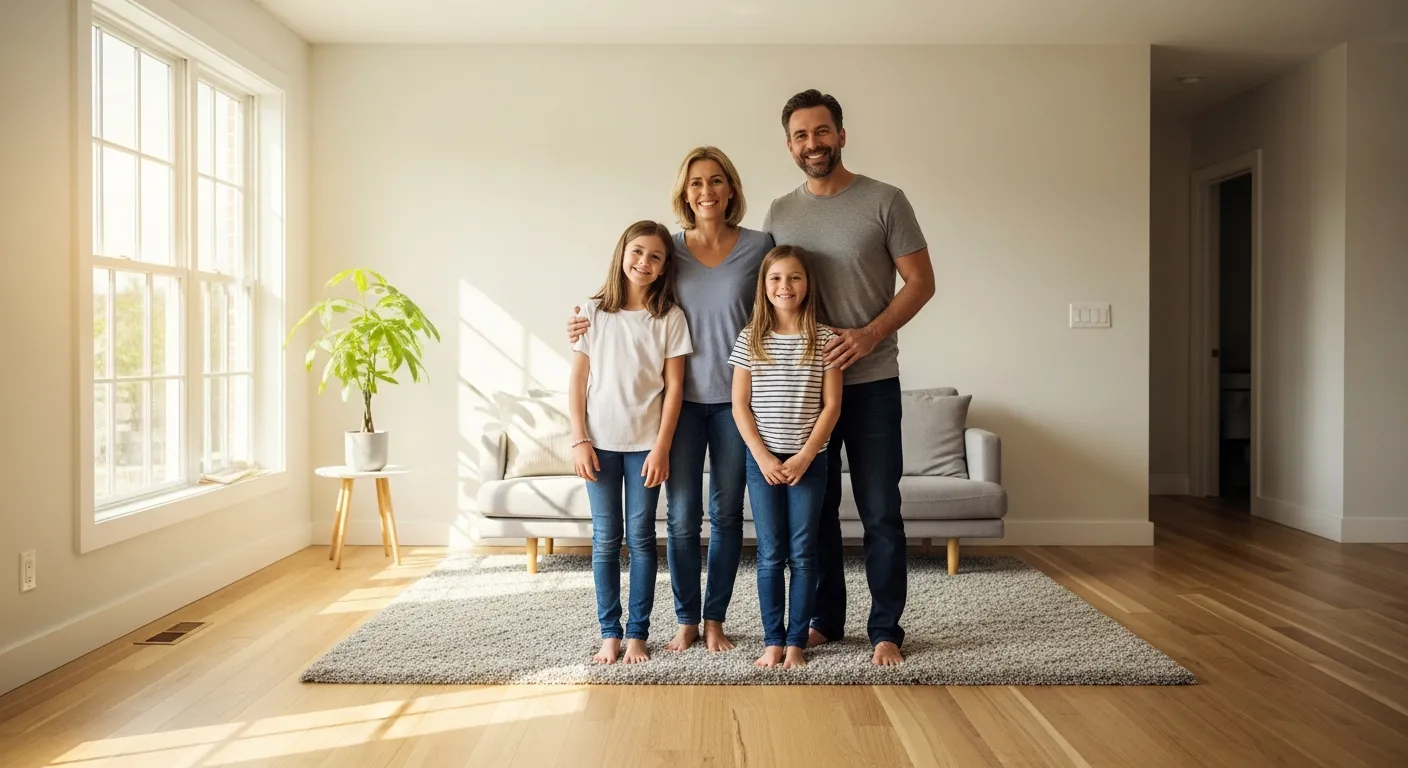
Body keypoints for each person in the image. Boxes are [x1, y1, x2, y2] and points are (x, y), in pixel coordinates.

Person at [568, 147, 773, 653]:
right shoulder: (670, 249)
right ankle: (684, 618)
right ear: (685, 192)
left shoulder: (760, 245)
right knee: (681, 518)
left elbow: (782, 300)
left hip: (735, 403)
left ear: (731, 189)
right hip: (674, 410)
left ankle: (714, 620)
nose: (706, 191)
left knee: (726, 516)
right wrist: (579, 325)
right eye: (696, 182)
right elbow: (624, 295)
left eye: (716, 180)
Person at [761, 89, 936, 667]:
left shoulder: (886, 200)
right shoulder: (781, 212)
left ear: (841, 133)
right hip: (805, 393)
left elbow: (920, 283)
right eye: (801, 136)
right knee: (819, 512)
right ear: (790, 145)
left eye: (822, 131)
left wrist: (869, 334)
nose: (813, 144)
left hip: (874, 381)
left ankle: (886, 628)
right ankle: (825, 622)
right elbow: (764, 288)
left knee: (880, 508)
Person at [568, 220, 693, 665]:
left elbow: (674, 389)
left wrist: (662, 447)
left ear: (663, 268)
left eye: (655, 256)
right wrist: (579, 439)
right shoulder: (593, 312)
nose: (644, 262)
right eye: (637, 252)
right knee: (605, 540)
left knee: (640, 539)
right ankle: (610, 634)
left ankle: (637, 634)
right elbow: (579, 380)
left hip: (645, 447)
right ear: (622, 253)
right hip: (598, 445)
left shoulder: (669, 318)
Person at [728, 245, 842, 670]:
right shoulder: (750, 338)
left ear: (807, 284)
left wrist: (805, 456)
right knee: (771, 554)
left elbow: (831, 406)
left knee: (803, 552)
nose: (785, 286)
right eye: (776, 278)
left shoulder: (825, 338)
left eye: (794, 277)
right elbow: (740, 405)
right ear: (764, 285)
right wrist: (761, 456)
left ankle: (797, 642)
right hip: (763, 464)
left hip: (809, 463)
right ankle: (773, 640)